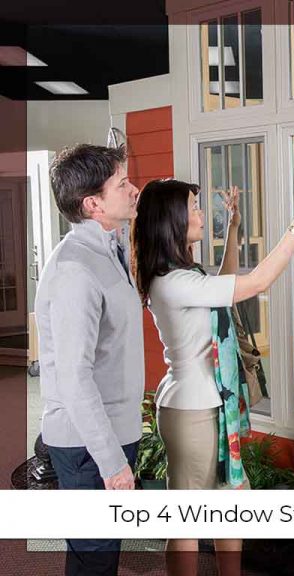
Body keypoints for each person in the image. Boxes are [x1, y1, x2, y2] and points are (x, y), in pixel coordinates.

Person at [131, 177, 294, 576]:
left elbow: (226, 283)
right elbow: (256, 283)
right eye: (194, 207)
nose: (201, 213)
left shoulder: (185, 276)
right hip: (192, 410)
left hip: (209, 402)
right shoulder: (174, 283)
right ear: (173, 220)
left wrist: (234, 227)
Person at [36, 144, 143, 576]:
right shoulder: (74, 270)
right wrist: (111, 462)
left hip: (114, 431)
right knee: (94, 556)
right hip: (87, 444)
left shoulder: (110, 250)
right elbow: (73, 378)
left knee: (102, 552)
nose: (134, 190)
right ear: (92, 204)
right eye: (122, 184)